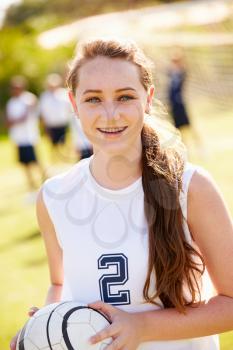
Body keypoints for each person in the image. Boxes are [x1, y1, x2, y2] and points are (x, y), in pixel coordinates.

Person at [11, 38, 233, 350]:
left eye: (125, 96)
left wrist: (142, 327)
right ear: (73, 104)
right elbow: (60, 284)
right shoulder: (54, 196)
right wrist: (44, 326)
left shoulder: (191, 187)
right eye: (93, 99)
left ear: (148, 98)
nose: (110, 114)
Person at [6, 76, 44, 193]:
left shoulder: (28, 99)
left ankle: (45, 179)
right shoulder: (11, 102)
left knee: (35, 161)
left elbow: (25, 117)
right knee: (24, 163)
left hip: (29, 137)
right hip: (18, 138)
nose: (15, 89)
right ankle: (31, 184)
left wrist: (14, 121)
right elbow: (7, 120)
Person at [167, 52, 205, 156]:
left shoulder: (181, 74)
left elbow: (184, 70)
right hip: (174, 106)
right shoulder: (171, 75)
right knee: (178, 130)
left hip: (180, 105)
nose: (173, 64)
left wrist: (180, 56)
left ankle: (200, 147)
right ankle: (185, 150)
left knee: (189, 127)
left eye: (175, 62)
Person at [39, 73, 70, 162]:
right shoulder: (44, 96)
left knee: (63, 144)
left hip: (62, 124)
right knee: (53, 145)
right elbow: (42, 113)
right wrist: (44, 127)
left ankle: (63, 160)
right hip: (51, 125)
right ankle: (54, 161)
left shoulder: (64, 94)